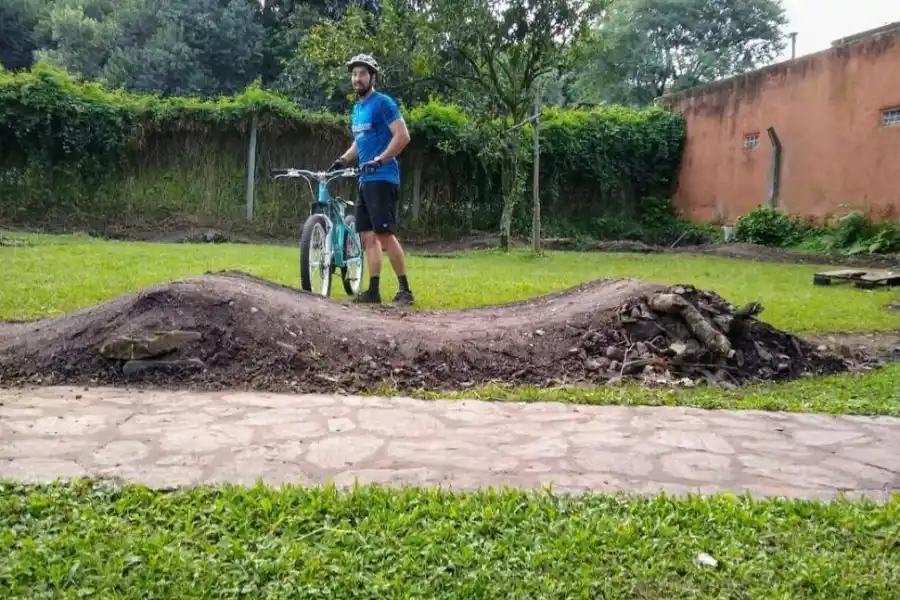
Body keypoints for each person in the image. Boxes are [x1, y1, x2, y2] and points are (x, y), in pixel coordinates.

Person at [329, 53, 414, 307]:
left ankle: (405, 290)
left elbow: (402, 136)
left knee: (384, 234)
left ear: (372, 77)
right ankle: (373, 290)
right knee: (367, 236)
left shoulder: (383, 103)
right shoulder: (357, 109)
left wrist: (381, 159)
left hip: (383, 178)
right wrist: (343, 159)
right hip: (365, 180)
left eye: (362, 74)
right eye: (354, 74)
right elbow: (360, 141)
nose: (357, 78)